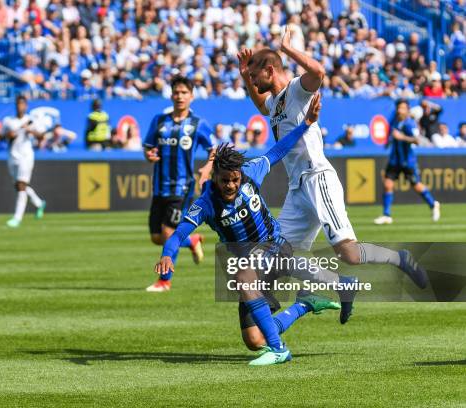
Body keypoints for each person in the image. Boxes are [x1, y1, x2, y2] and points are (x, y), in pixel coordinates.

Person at [232, 29, 428, 323]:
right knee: (278, 253)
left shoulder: (297, 90)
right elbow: (260, 104)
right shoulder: (274, 104)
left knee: (348, 253)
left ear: (270, 70)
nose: (253, 81)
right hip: (297, 188)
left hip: (317, 178)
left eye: (256, 75)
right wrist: (245, 75)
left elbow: (319, 71)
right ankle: (340, 286)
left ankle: (399, 259)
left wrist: (287, 49)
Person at [155, 96, 344, 366]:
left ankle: (280, 351)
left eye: (235, 180)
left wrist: (306, 124)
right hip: (249, 261)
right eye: (225, 181)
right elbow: (177, 235)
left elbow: (278, 150)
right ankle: (306, 304)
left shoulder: (250, 172)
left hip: (275, 246)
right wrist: (168, 255)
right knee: (254, 340)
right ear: (214, 177)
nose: (231, 185)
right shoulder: (205, 204)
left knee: (243, 276)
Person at [143, 75, 216, 292]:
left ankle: (164, 281)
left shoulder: (198, 124)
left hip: (182, 188)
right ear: (171, 95)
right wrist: (149, 155)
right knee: (157, 238)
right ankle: (192, 241)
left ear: (192, 97)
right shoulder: (159, 120)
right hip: (159, 187)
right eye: (176, 92)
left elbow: (213, 149)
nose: (180, 96)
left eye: (184, 93)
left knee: (168, 233)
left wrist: (207, 167)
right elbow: (148, 147)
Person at [374, 100, 440, 225]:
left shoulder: (410, 124)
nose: (400, 110)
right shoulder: (394, 121)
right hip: (394, 159)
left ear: (407, 110)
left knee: (416, 185)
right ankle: (386, 215)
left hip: (407, 161)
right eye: (399, 108)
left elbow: (417, 140)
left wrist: (402, 137)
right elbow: (391, 136)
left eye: (403, 108)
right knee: (388, 184)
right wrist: (389, 141)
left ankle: (433, 204)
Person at [1, 95, 47, 228]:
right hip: (12, 155)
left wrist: (31, 131)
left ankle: (17, 218)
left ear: (26, 106)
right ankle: (39, 203)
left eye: (22, 104)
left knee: (21, 185)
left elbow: (42, 135)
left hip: (26, 156)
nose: (20, 106)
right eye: (18, 104)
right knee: (18, 186)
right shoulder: (9, 121)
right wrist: (8, 135)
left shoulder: (31, 120)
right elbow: (0, 136)